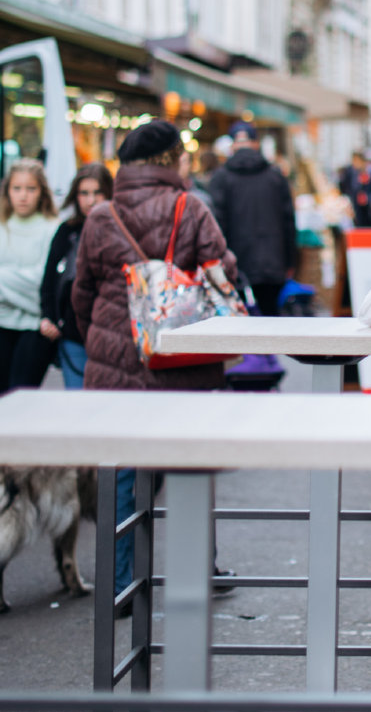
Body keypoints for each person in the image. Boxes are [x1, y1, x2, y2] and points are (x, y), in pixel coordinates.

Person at [72, 119, 239, 600]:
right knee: (186, 464)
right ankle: (195, 572)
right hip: (182, 359)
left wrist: (103, 342)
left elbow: (81, 294)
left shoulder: (101, 215)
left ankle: (120, 583)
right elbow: (222, 272)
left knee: (122, 470)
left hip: (116, 360)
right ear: (169, 159)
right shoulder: (190, 208)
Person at [208, 122, 297, 316]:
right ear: (256, 144)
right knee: (272, 320)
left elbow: (216, 226)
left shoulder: (220, 179)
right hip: (273, 263)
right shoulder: (275, 177)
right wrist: (291, 261)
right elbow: (289, 222)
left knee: (239, 325)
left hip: (235, 265)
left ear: (232, 146)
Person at [39, 163, 113, 389]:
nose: (91, 200)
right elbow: (49, 280)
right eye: (84, 193)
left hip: (110, 334)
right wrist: (49, 317)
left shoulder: (120, 230)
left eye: (97, 192)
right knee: (77, 400)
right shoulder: (67, 231)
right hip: (72, 333)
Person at [0, 159, 59, 393]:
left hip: (36, 327)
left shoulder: (53, 228)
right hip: (2, 323)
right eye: (17, 188)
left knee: (20, 396)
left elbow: (43, 282)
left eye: (30, 188)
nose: (23, 196)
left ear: (41, 192)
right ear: (8, 191)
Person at [338, 150, 371, 227]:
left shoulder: (369, 172)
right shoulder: (348, 173)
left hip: (367, 208)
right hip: (354, 205)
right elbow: (344, 189)